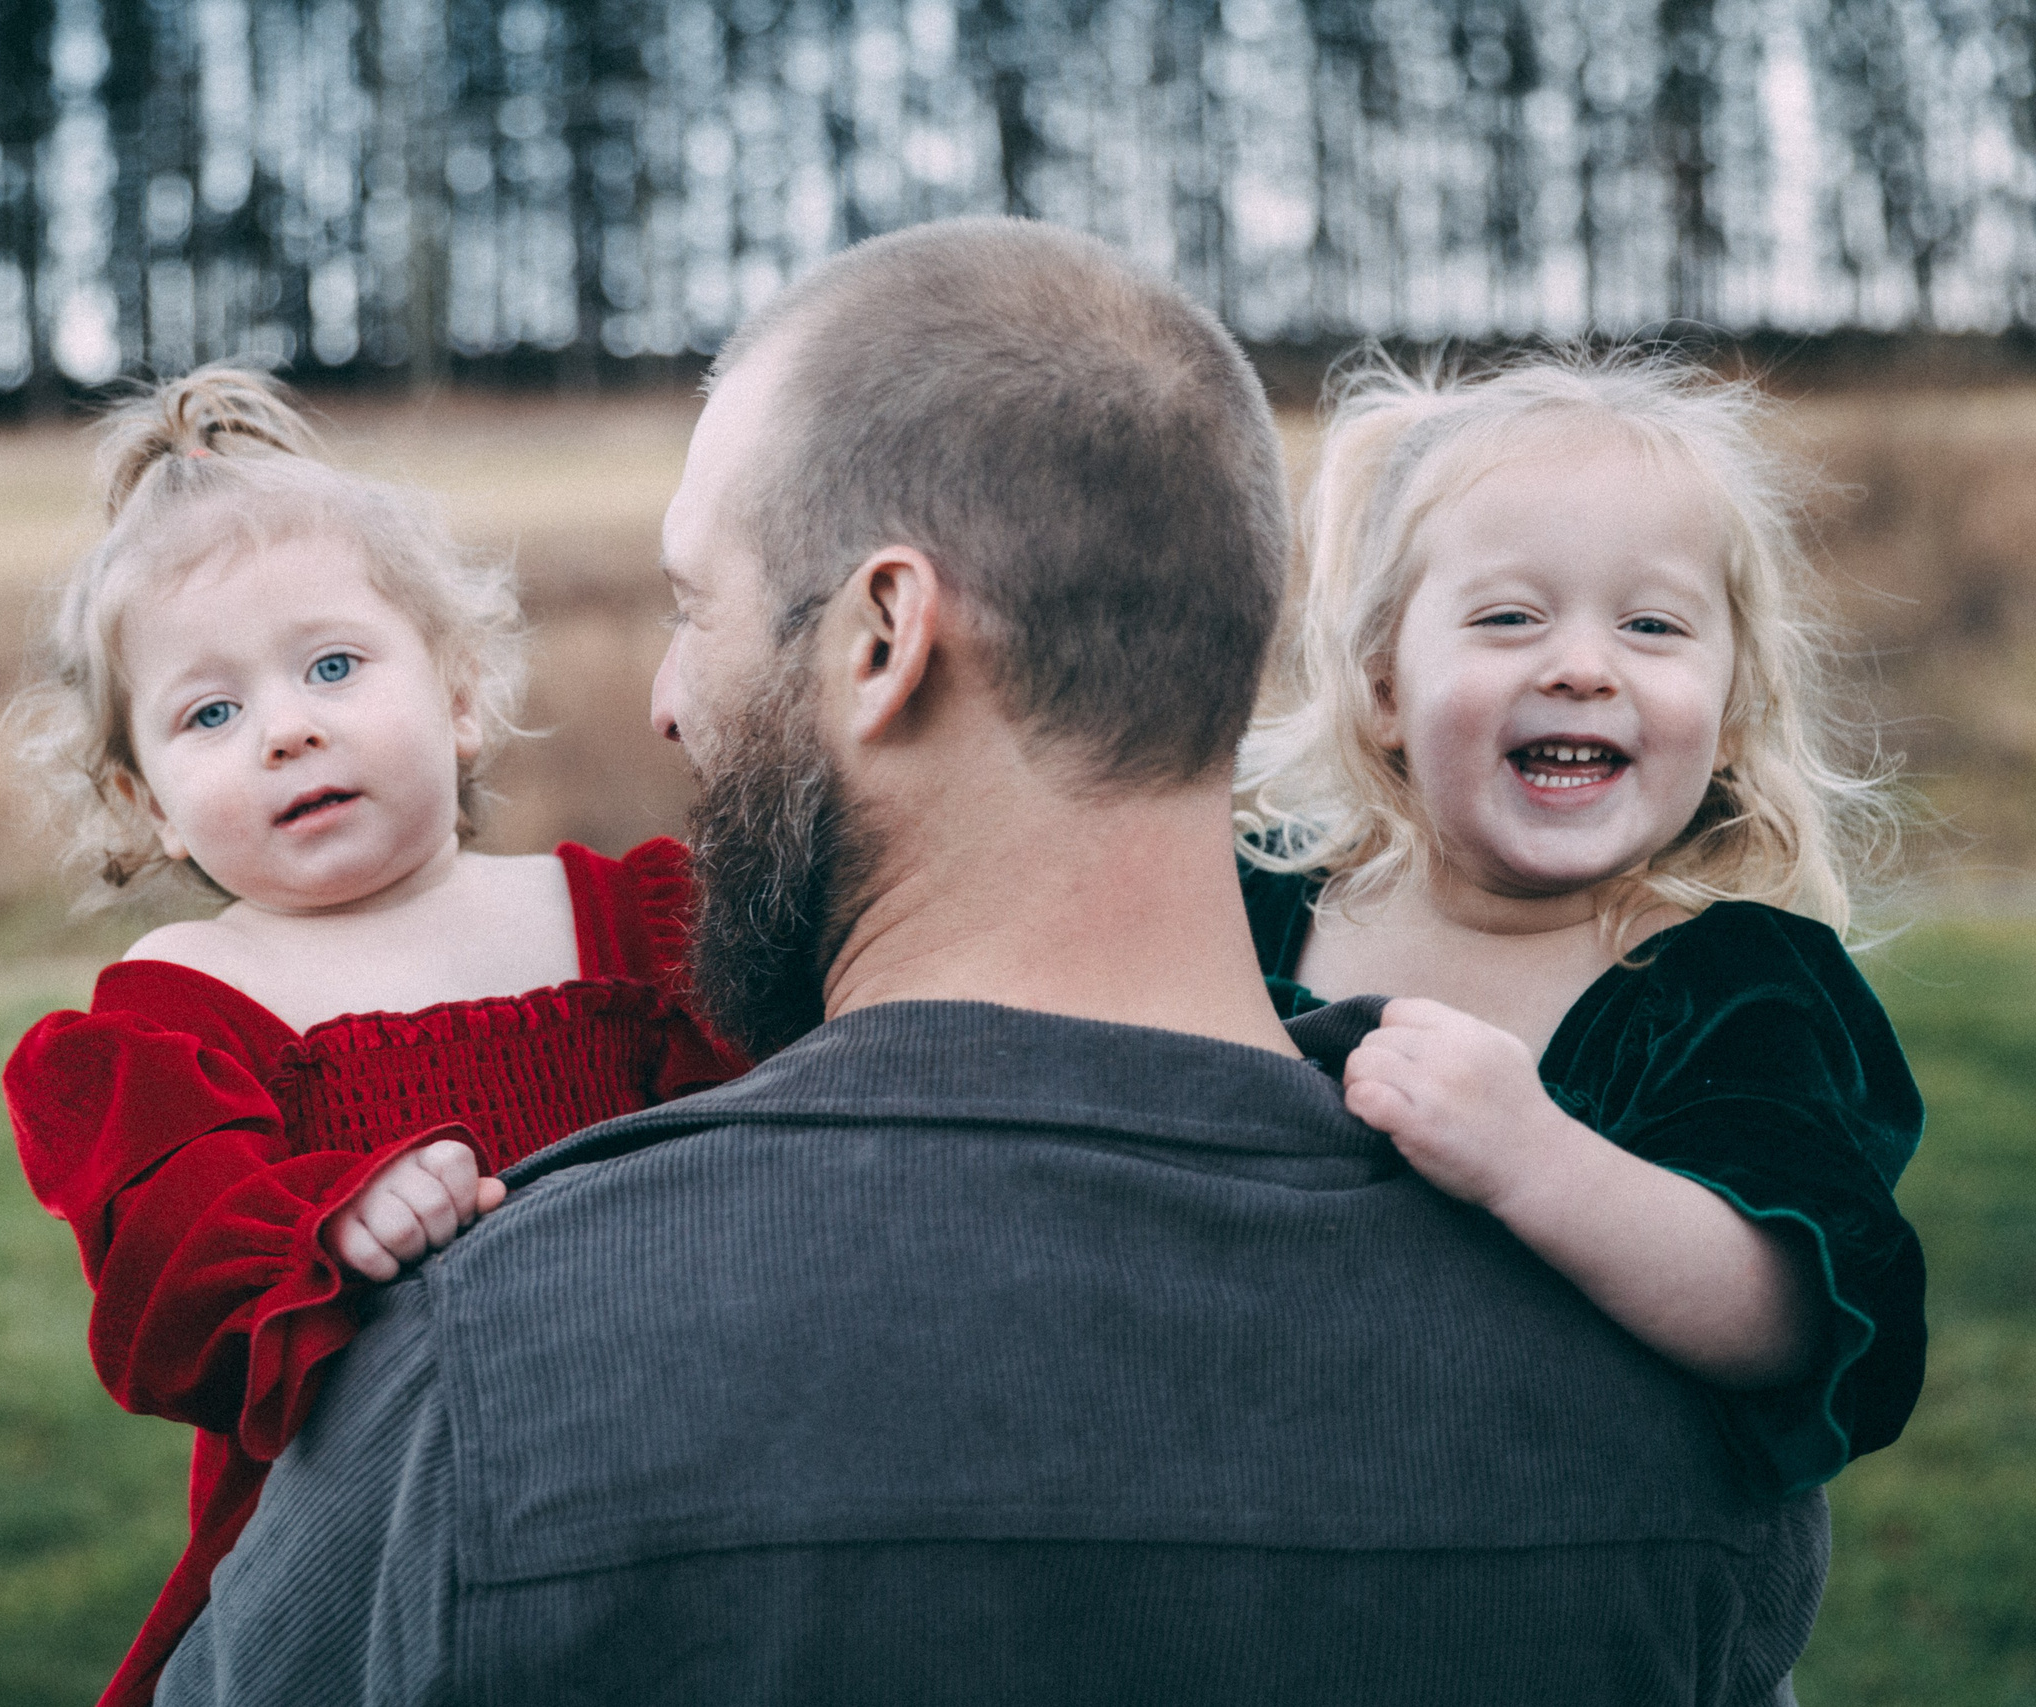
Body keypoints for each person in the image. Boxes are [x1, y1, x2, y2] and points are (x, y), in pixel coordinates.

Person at [154, 221, 1829, 1707]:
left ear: (883, 638)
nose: (668, 702)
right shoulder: (1662, 1371)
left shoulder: (492, 1380)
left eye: (696, 607)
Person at [0, 366, 741, 1707]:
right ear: (145, 797)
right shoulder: (182, 1002)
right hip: (367, 1564)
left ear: (457, 695)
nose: (288, 727)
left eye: (334, 663)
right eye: (208, 713)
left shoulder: (630, 922)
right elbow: (167, 1281)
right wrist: (327, 1212)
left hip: (669, 1503)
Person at [1234, 350, 1925, 1498]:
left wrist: (1533, 1160)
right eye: (1508, 616)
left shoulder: (1731, 987)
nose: (1582, 667)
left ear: (1734, 707)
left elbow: (1795, 1319)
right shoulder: (1257, 909)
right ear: (1384, 689)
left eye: (1652, 626)